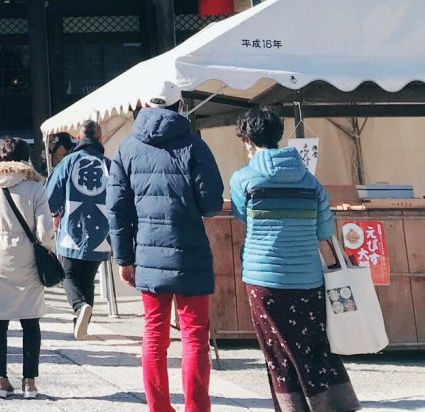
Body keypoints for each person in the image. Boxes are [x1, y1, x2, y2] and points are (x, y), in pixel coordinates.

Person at [230, 108, 361, 412]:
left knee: (277, 353)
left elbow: (243, 219)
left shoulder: (243, 179)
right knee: (315, 348)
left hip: (264, 282)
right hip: (308, 280)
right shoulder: (310, 182)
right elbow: (325, 230)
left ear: (248, 140)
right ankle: (331, 405)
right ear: (279, 135)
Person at [107, 81, 224, 412]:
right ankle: (197, 408)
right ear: (180, 106)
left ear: (144, 103)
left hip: (146, 253)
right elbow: (211, 203)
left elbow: (117, 209)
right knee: (194, 338)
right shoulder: (195, 146)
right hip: (191, 253)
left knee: (154, 336)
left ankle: (159, 408)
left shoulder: (126, 149)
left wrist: (123, 258)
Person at [0, 136, 56, 400]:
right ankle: (29, 382)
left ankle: (0, 379)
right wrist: (50, 252)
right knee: (30, 320)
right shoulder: (35, 188)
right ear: (25, 158)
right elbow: (44, 232)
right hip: (28, 259)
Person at [44, 120, 111, 338]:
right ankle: (82, 323)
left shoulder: (68, 163)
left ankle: (79, 307)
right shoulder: (109, 165)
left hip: (72, 230)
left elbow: (50, 202)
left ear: (78, 139)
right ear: (100, 139)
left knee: (68, 275)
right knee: (87, 277)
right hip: (102, 232)